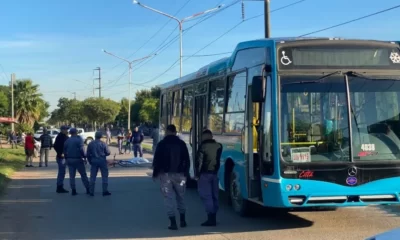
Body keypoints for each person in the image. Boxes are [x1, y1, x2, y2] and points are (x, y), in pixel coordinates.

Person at [152, 124, 190, 230]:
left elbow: (157, 160)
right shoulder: (182, 144)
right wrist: (186, 173)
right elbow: (187, 160)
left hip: (165, 175)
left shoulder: (162, 144)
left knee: (168, 197)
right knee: (181, 197)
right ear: (175, 131)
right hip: (180, 175)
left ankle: (173, 222)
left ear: (167, 131)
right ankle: (183, 220)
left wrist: (155, 174)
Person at [195, 129, 223, 227]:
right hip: (215, 174)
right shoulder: (219, 146)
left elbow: (199, 162)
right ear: (211, 136)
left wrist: (197, 174)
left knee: (206, 196)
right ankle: (214, 217)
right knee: (214, 195)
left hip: (205, 174)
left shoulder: (203, 147)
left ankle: (210, 218)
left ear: (204, 137)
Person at [63, 128, 89, 196]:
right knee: (83, 174)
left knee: (72, 176)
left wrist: (66, 159)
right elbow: (82, 149)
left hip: (70, 159)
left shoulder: (67, 141)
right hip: (78, 159)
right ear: (76, 132)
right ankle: (88, 188)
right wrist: (84, 157)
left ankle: (73, 190)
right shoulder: (78, 140)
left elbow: (65, 151)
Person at [87, 131, 111, 196]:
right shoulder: (103, 143)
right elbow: (108, 152)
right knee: (104, 176)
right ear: (101, 137)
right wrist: (104, 154)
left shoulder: (91, 144)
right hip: (102, 160)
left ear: (95, 136)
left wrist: (90, 161)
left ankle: (91, 191)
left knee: (93, 176)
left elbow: (88, 154)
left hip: (94, 160)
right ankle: (105, 191)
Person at [53, 126, 70, 193]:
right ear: (62, 130)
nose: (67, 130)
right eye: (66, 129)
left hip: (63, 156)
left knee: (62, 172)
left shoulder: (63, 136)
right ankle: (59, 187)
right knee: (61, 172)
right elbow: (55, 146)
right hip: (61, 157)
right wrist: (60, 153)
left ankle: (60, 186)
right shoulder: (61, 137)